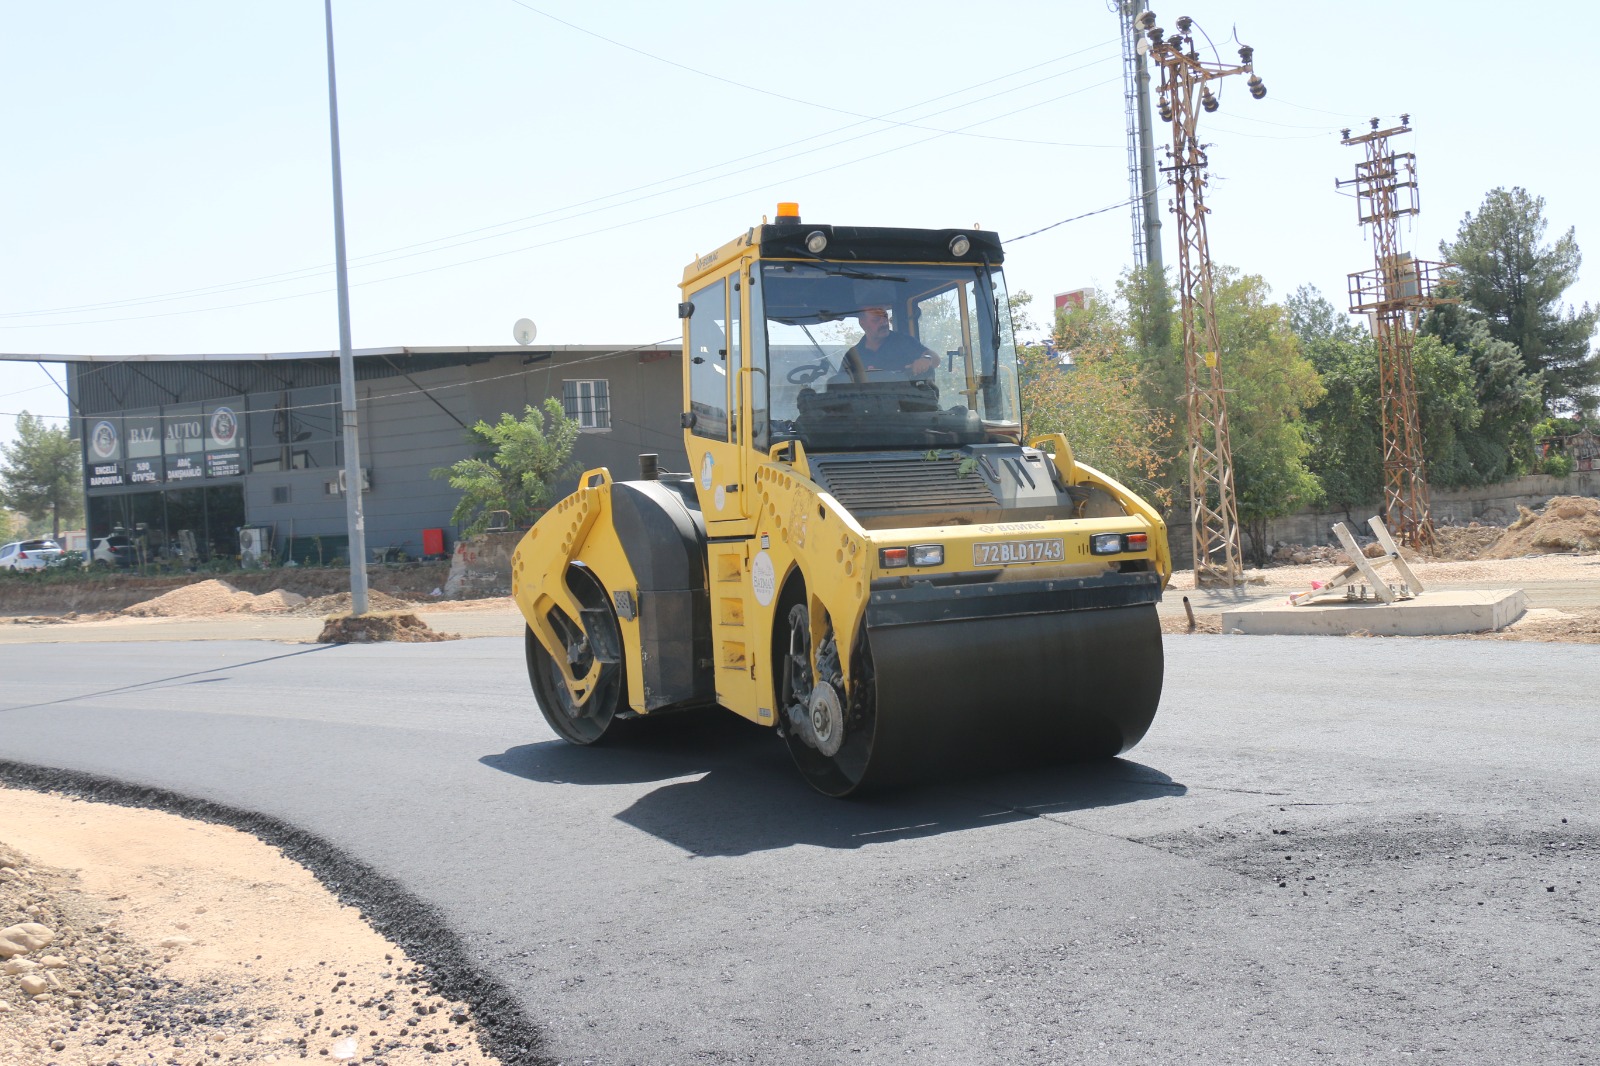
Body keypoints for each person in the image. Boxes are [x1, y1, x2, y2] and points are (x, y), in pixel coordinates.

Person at [839, 306, 939, 383]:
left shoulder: (903, 341)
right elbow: (841, 385)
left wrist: (926, 359)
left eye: (885, 317)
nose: (884, 322)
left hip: (907, 406)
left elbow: (936, 359)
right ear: (862, 323)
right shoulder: (853, 355)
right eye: (876, 319)